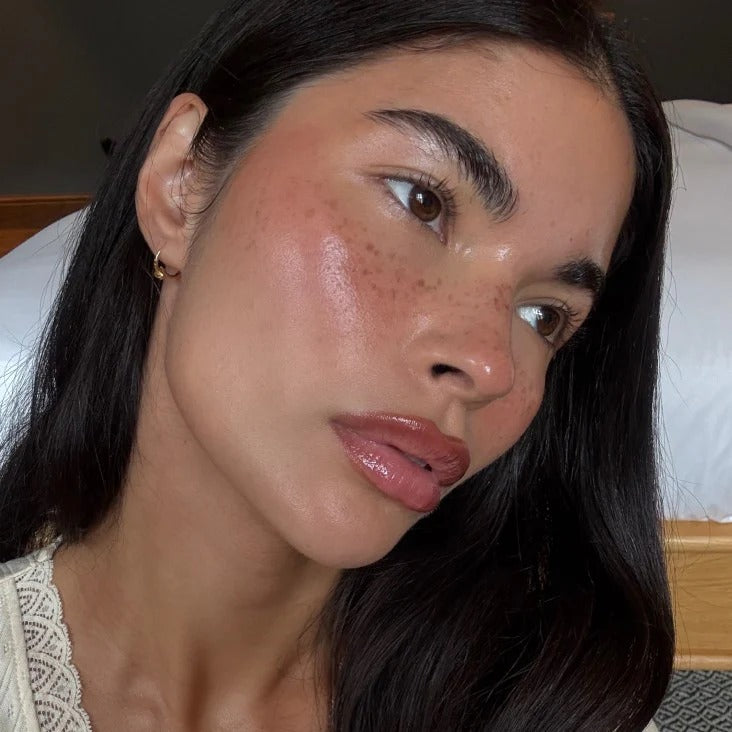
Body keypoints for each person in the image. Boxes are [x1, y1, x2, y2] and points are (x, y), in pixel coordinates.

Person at [0, 1, 673, 729]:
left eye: (544, 316)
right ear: (180, 181)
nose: (489, 365)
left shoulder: (560, 713)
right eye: (422, 202)